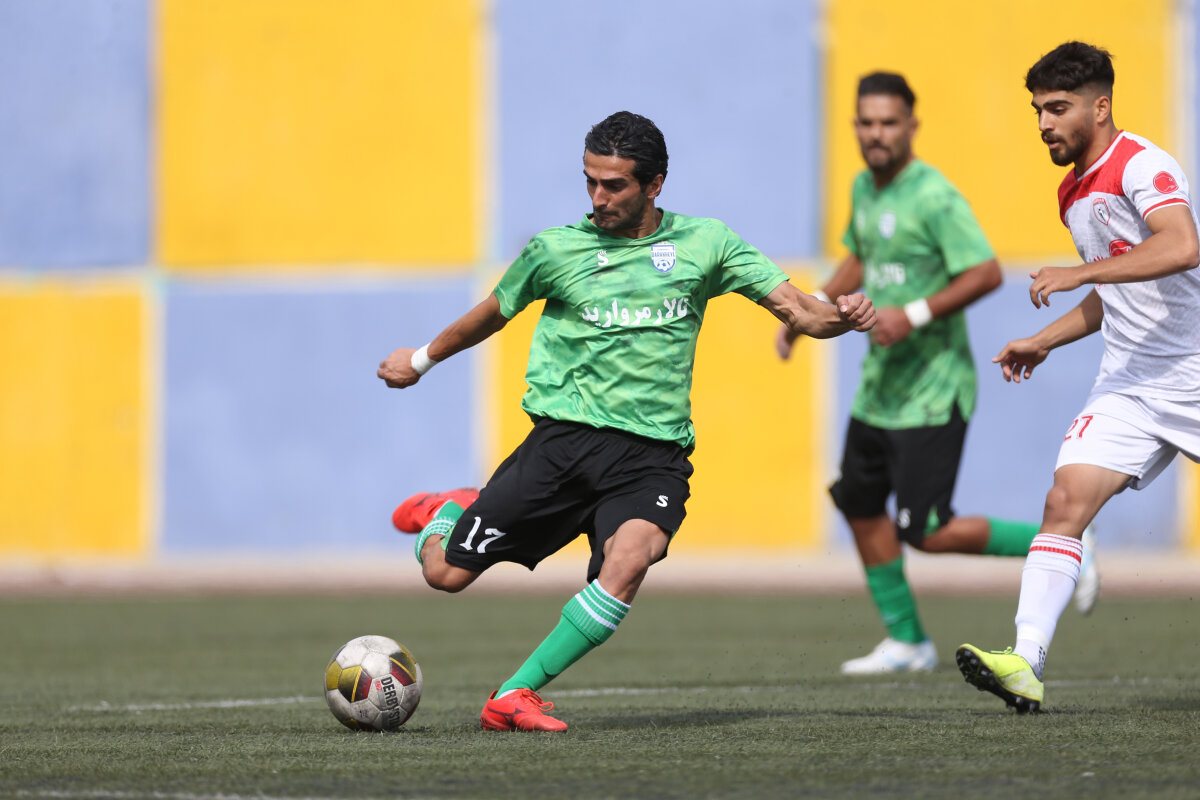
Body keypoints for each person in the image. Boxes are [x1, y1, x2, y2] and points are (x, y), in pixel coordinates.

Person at [377, 111, 877, 731]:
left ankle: (513, 695)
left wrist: (845, 316)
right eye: (590, 181)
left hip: (651, 456)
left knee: (633, 557)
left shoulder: (707, 244)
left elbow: (802, 311)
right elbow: (493, 312)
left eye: (614, 185)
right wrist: (420, 361)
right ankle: (446, 510)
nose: (598, 197)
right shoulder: (555, 249)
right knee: (445, 574)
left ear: (655, 184)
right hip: (563, 447)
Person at [775, 72, 1097, 676]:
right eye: (866, 122)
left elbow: (985, 272)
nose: (876, 133)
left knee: (926, 530)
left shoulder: (934, 196)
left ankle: (1062, 540)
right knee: (859, 504)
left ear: (911, 126)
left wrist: (914, 314)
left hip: (932, 390)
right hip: (880, 389)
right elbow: (860, 256)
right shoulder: (865, 188)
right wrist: (804, 310)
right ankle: (907, 642)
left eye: (888, 122)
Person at [957, 42, 1200, 712]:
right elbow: (1117, 289)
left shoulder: (1141, 164)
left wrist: (1079, 273)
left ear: (1100, 106)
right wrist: (1045, 339)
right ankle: (1025, 663)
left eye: (1058, 108)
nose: (1044, 123)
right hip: (1129, 383)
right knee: (1064, 502)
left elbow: (1182, 245)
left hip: (1192, 371)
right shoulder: (1070, 191)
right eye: (1038, 110)